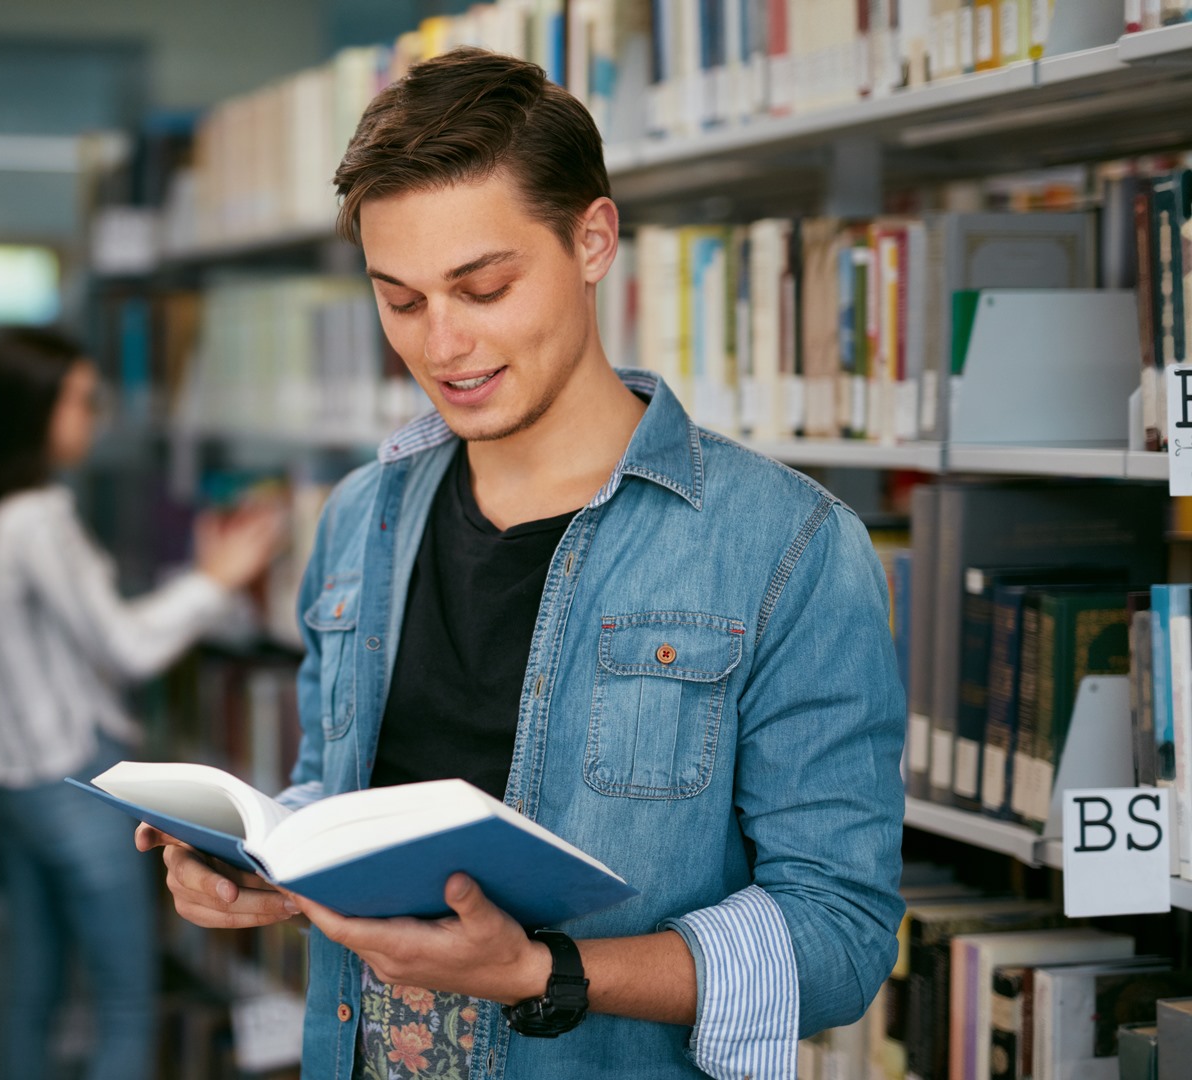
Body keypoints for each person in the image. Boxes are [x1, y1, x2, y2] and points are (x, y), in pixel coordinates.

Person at [137, 48, 905, 1080]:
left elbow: (842, 938)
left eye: (483, 286)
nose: (443, 346)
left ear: (593, 239)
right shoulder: (360, 517)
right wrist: (273, 867)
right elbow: (347, 793)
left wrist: (550, 971)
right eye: (400, 301)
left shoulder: (789, 549)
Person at [0, 328, 285, 1080]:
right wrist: (217, 577)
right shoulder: (35, 517)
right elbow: (126, 648)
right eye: (82, 401)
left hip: (14, 785)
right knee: (125, 1006)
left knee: (35, 993)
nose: (95, 418)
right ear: (34, 410)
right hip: (71, 780)